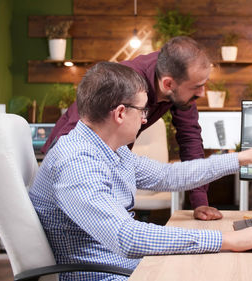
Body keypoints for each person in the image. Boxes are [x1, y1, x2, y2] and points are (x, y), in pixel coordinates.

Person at [29, 62, 252, 280]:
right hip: (105, 273)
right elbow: (127, 237)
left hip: (124, 264)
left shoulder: (110, 150)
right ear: (120, 113)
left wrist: (242, 158)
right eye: (142, 110)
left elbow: (169, 176)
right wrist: (226, 240)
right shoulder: (76, 162)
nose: (145, 119)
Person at [42, 36, 222, 221]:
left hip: (110, 161)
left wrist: (200, 201)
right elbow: (82, 127)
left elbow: (189, 138)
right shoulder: (126, 83)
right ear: (168, 84)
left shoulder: (180, 83)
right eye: (197, 87)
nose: (202, 93)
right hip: (75, 161)